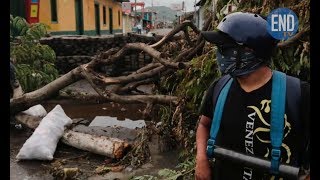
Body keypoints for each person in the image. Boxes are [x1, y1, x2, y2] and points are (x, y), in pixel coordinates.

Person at [195, 12, 310, 180]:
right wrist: (201, 159)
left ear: (249, 51)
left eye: (225, 49)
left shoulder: (298, 93)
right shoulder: (220, 88)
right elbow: (204, 125)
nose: (219, 55)